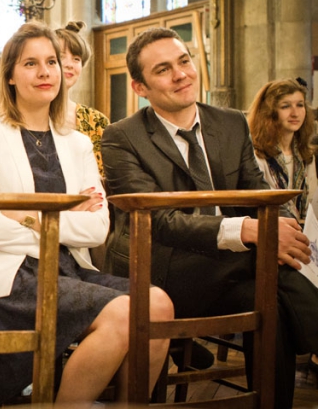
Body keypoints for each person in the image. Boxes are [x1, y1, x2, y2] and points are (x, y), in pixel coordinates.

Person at [101, 27, 318, 408]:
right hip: (162, 273)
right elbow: (159, 221)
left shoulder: (230, 123)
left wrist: (281, 229)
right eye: (163, 69)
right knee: (273, 274)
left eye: (184, 61)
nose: (181, 74)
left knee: (274, 301)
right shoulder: (122, 137)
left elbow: (258, 192)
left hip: (233, 269)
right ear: (139, 88)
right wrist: (254, 233)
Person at [0, 21, 173, 406]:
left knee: (159, 304)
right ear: (9, 75)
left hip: (70, 268)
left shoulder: (76, 143)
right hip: (13, 277)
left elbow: (96, 230)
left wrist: (26, 215)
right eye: (30, 64)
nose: (45, 72)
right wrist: (64, 217)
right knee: (124, 312)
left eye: (52, 62)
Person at [247, 78, 316, 223]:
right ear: (269, 112)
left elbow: (312, 202)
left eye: (300, 105)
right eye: (285, 106)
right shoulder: (256, 153)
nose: (295, 113)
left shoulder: (306, 154)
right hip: (268, 229)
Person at [55, 21, 110, 178]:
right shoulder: (31, 116)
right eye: (61, 57)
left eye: (76, 59)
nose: (69, 65)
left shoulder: (97, 121)